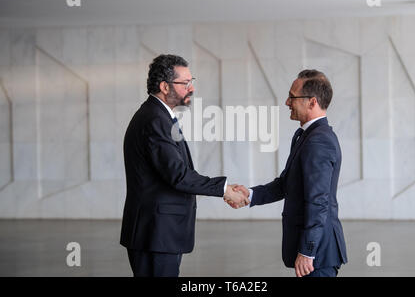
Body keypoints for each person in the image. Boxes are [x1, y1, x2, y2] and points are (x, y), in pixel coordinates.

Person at [120, 54, 248, 277]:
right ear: (164, 86)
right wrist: (224, 189)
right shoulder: (154, 120)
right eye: (185, 83)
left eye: (192, 81)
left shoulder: (159, 116)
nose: (192, 88)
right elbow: (178, 175)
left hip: (158, 232)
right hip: (156, 233)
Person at [231, 69, 347, 277]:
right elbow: (286, 184)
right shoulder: (306, 135)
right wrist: (250, 194)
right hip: (316, 253)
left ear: (312, 102)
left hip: (318, 255)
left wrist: (307, 251)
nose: (286, 102)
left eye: (292, 97)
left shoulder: (318, 141)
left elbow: (318, 200)